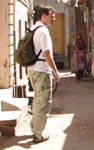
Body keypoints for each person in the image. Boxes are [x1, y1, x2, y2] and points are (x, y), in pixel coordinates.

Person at [27, 6, 61, 143]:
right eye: (51, 16)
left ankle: (35, 126)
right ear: (43, 16)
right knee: (43, 102)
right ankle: (38, 134)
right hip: (42, 70)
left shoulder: (33, 29)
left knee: (37, 100)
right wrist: (55, 71)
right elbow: (47, 54)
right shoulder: (43, 32)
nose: (54, 19)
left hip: (32, 70)